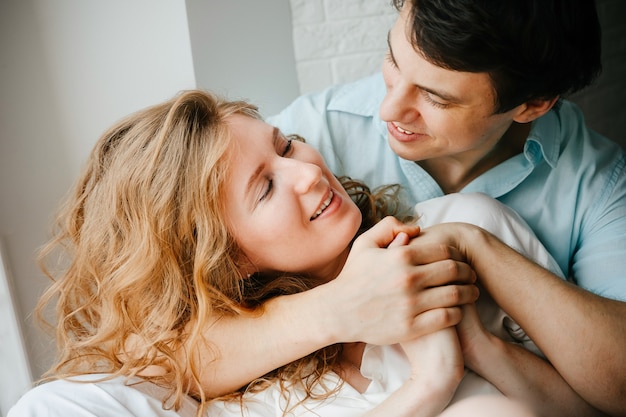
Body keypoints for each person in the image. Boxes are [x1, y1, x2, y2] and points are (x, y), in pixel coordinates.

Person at [9, 90, 601, 417]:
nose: (308, 172)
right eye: (265, 188)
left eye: (287, 144)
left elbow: (592, 409)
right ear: (226, 258)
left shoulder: (463, 227)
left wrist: (476, 343)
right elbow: (143, 352)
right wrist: (432, 383)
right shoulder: (251, 391)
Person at [266, 0, 626, 415]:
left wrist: (473, 244)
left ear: (533, 104)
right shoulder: (306, 142)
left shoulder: (599, 182)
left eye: (436, 98)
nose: (388, 111)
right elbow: (182, 345)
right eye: (393, 60)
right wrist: (338, 309)